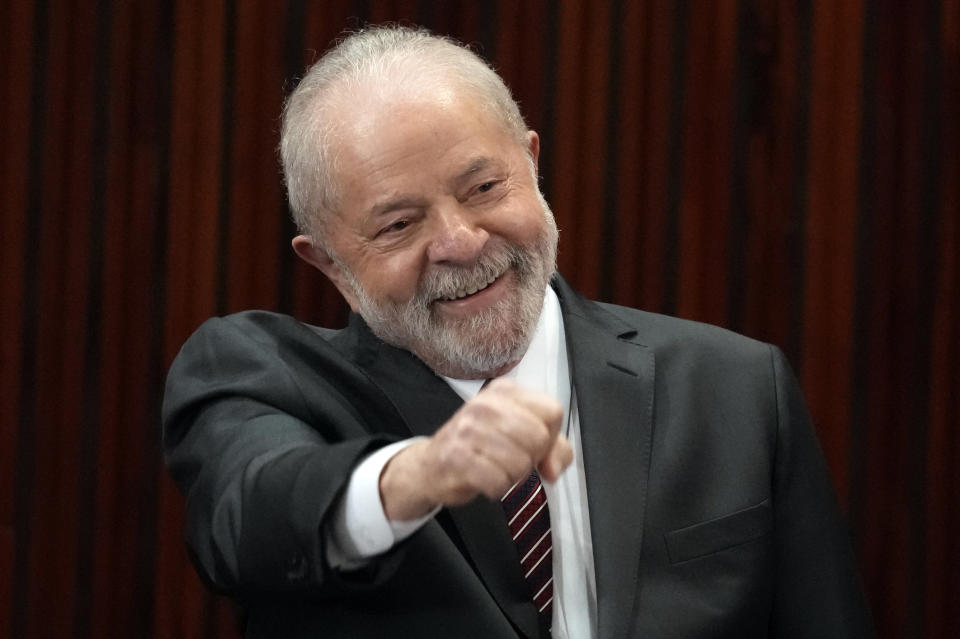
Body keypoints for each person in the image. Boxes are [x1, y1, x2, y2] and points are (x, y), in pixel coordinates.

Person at [162, 25, 874, 639]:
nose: (462, 240)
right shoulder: (264, 379)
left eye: (484, 188)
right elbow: (247, 517)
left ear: (532, 165)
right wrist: (417, 474)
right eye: (400, 224)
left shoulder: (738, 387)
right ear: (329, 262)